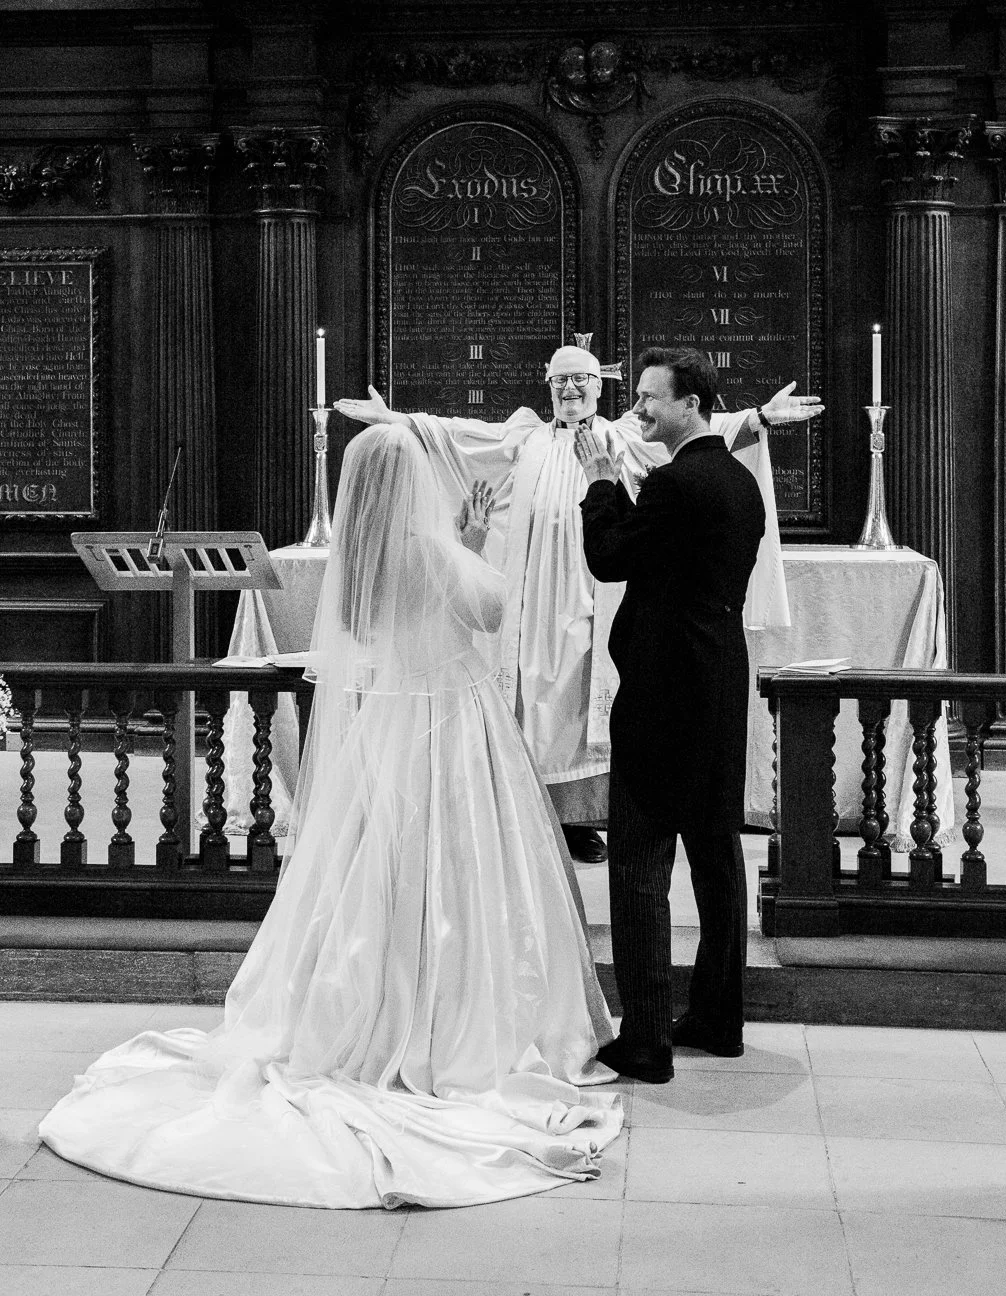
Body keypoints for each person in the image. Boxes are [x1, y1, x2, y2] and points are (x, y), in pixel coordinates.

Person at [39, 426, 621, 1209]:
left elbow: (404, 621)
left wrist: (462, 541)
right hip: (446, 730)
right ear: (412, 482)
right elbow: (486, 613)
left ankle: (362, 1001)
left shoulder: (360, 563)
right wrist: (479, 541)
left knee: (371, 871)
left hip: (386, 727)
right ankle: (441, 1019)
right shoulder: (429, 549)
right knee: (450, 871)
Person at [336, 337, 820, 863]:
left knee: (581, 708)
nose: (570, 388)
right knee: (533, 702)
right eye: (560, 380)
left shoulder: (623, 435)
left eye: (582, 379)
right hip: (533, 595)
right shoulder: (526, 438)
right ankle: (534, 817)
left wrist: (758, 420)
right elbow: (458, 436)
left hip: (594, 595)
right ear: (548, 386)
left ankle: (579, 821)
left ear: (598, 386)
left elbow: (703, 433)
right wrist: (400, 421)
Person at [575, 348, 767, 1084]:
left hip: (662, 691)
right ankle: (720, 1018)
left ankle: (648, 1037)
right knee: (717, 854)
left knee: (640, 859)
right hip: (719, 681)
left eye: (652, 398)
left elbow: (610, 556)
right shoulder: (738, 481)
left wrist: (598, 481)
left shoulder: (673, 482)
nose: (640, 410)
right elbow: (664, 555)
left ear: (691, 403)